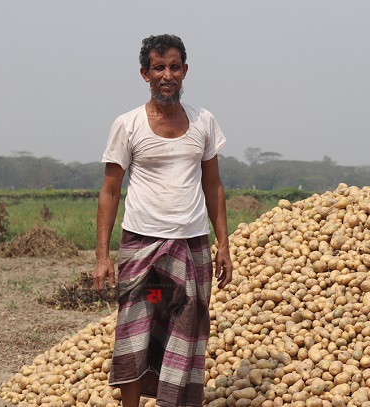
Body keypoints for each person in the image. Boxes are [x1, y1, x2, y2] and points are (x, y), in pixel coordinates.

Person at [93, 33, 233, 407]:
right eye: (159, 68)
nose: (167, 75)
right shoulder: (128, 124)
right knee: (139, 323)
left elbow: (213, 185)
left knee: (184, 324)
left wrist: (224, 245)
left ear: (185, 71)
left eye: (174, 67)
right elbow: (109, 191)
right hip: (143, 250)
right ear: (145, 73)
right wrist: (103, 256)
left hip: (190, 249)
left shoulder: (204, 122)